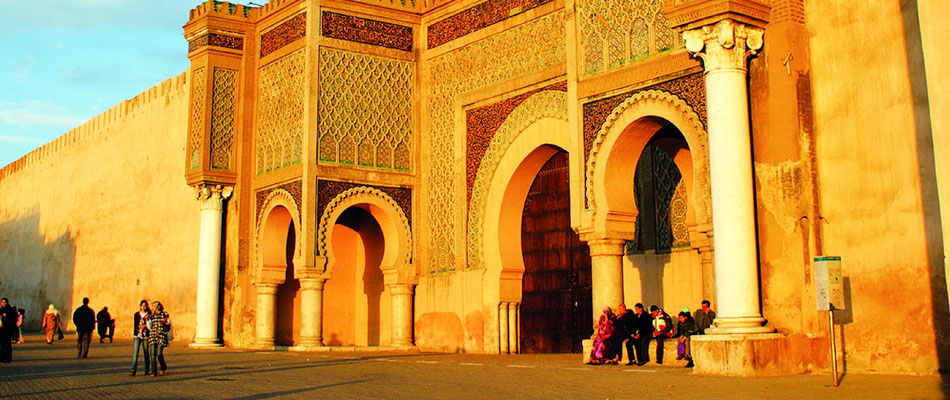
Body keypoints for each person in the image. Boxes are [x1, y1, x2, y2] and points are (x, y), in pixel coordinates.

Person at [147, 301, 170, 376]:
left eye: (153, 307)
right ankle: (153, 371)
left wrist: (165, 322)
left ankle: (163, 366)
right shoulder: (151, 316)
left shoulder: (164, 314)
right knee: (152, 354)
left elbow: (169, 324)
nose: (152, 308)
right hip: (153, 335)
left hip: (161, 335)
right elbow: (149, 326)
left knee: (159, 353)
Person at [130, 300, 151, 376]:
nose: (143, 307)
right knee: (135, 353)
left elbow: (150, 326)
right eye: (142, 305)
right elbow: (135, 325)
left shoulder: (149, 315)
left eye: (145, 305)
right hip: (137, 335)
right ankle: (133, 369)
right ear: (140, 306)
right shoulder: (136, 314)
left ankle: (146, 369)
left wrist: (145, 326)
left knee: (146, 352)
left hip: (145, 336)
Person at [0, 298, 16, 362]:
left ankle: (8, 357)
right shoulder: (1, 310)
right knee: (2, 344)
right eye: (2, 302)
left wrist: (6, 316)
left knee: (7, 344)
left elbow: (13, 319)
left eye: (4, 302)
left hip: (8, 330)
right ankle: (2, 357)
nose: (3, 304)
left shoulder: (10, 310)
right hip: (1, 330)